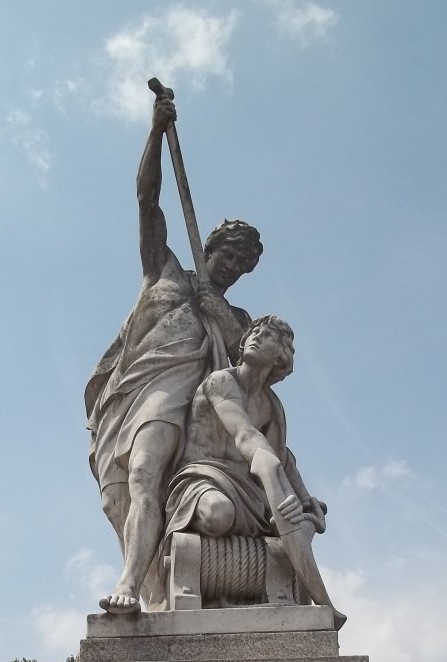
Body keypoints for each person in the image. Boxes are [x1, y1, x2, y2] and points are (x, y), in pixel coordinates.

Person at [85, 93, 263, 613]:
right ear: (209, 247)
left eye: (243, 264)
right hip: (126, 391)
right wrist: (155, 132)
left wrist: (220, 312)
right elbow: (146, 201)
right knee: (117, 499)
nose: (233, 266)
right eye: (228, 254)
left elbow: (248, 370)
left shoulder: (239, 321)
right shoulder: (163, 270)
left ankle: (125, 581)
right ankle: (150, 590)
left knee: (144, 473)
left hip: (176, 398)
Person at [163, 315, 345, 628]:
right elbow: (245, 435)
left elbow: (283, 457)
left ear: (282, 355)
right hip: (203, 476)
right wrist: (268, 467)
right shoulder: (222, 381)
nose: (255, 337)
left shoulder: (272, 406)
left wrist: (302, 498)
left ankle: (317, 600)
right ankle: (321, 600)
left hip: (248, 486)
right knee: (220, 514)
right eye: (254, 332)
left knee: (293, 521)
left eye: (268, 335)